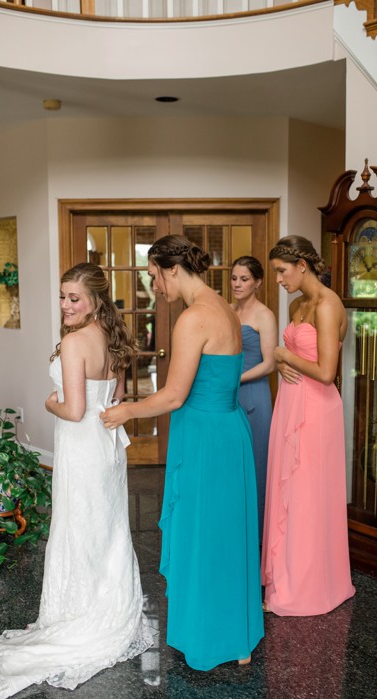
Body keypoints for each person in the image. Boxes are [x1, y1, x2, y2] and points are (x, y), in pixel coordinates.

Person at [0, 262, 156, 699]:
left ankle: (80, 612)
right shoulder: (114, 338)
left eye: (75, 298)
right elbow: (118, 398)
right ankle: (108, 608)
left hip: (83, 448)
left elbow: (71, 409)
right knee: (105, 527)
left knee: (78, 526)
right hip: (105, 447)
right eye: (63, 296)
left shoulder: (73, 343)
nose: (66, 305)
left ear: (95, 300)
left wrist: (49, 402)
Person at [101, 234, 263, 670]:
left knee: (204, 534)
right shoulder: (226, 309)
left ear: (172, 268)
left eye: (154, 275)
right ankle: (240, 640)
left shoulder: (193, 318)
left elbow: (173, 396)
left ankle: (208, 638)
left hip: (206, 437)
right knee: (228, 533)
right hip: (231, 430)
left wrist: (126, 411)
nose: (155, 286)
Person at [261, 235, 355, 616]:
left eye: (282, 272)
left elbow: (327, 372)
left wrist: (283, 354)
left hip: (316, 410)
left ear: (303, 265)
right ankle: (285, 576)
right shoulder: (298, 305)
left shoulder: (328, 306)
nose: (280, 280)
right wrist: (282, 363)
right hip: (289, 401)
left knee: (307, 496)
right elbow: (297, 357)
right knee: (288, 490)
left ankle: (310, 584)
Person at [230, 255, 277, 545]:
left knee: (257, 467)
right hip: (229, 395)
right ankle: (236, 537)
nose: (237, 283)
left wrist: (234, 380)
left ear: (257, 282)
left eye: (244, 278)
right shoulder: (228, 311)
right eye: (234, 278)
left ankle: (257, 545)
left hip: (255, 395)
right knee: (233, 467)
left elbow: (270, 364)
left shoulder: (264, 315)